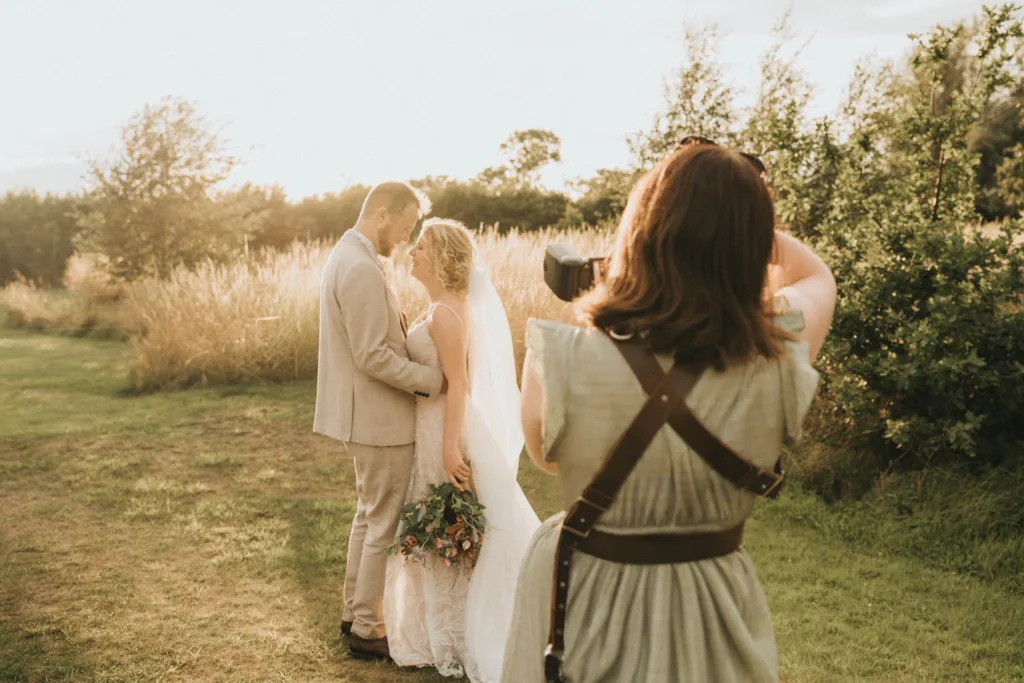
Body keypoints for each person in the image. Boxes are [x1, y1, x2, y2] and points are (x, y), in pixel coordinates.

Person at [501, 144, 837, 682]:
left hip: (588, 607)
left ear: (641, 230)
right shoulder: (778, 355)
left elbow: (549, 460)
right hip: (712, 611)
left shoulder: (557, 356)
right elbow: (818, 277)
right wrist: (742, 220)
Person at [383, 218, 541, 682]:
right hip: (434, 426)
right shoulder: (444, 307)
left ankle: (456, 634)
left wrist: (450, 448)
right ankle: (444, 630)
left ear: (443, 257)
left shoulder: (449, 314)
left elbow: (459, 385)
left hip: (444, 429)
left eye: (422, 246)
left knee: (448, 526)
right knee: (445, 528)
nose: (413, 252)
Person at [313, 181, 445, 661]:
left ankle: (355, 612)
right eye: (406, 227)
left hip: (363, 414)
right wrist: (432, 380)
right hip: (378, 416)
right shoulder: (361, 267)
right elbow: (372, 355)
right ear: (383, 213)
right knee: (382, 523)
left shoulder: (347, 256)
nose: (406, 239)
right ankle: (369, 630)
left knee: (368, 517)